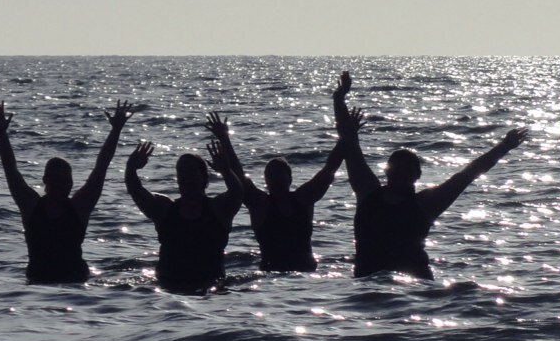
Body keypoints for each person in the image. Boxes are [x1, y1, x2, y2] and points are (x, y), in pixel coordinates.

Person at [332, 70, 528, 278]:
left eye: (405, 169)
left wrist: (504, 146)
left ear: (416, 175)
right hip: (380, 287)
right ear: (389, 172)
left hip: (413, 286)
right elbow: (350, 145)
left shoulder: (424, 203)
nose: (401, 173)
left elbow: (468, 174)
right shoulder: (371, 193)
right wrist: (338, 100)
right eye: (398, 168)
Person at [0, 98, 133, 283]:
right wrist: (1, 133)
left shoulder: (79, 207)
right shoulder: (31, 206)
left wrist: (116, 130)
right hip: (38, 281)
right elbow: (10, 169)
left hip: (75, 280)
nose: (63, 185)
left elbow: (101, 167)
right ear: (45, 181)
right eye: (57, 180)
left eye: (67, 180)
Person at [204, 108, 353, 273]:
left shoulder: (303, 199)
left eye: (280, 175)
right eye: (272, 175)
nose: (276, 179)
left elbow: (330, 169)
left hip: (306, 276)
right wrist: (224, 139)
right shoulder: (260, 204)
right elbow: (240, 177)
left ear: (290, 179)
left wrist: (347, 134)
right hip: (272, 277)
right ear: (266, 182)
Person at [124, 134, 244, 293]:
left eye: (191, 172)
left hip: (211, 288)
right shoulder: (165, 209)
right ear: (178, 179)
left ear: (204, 178)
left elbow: (238, 193)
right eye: (182, 172)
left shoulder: (218, 209)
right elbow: (135, 190)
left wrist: (226, 171)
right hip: (169, 288)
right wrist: (131, 168)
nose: (187, 177)